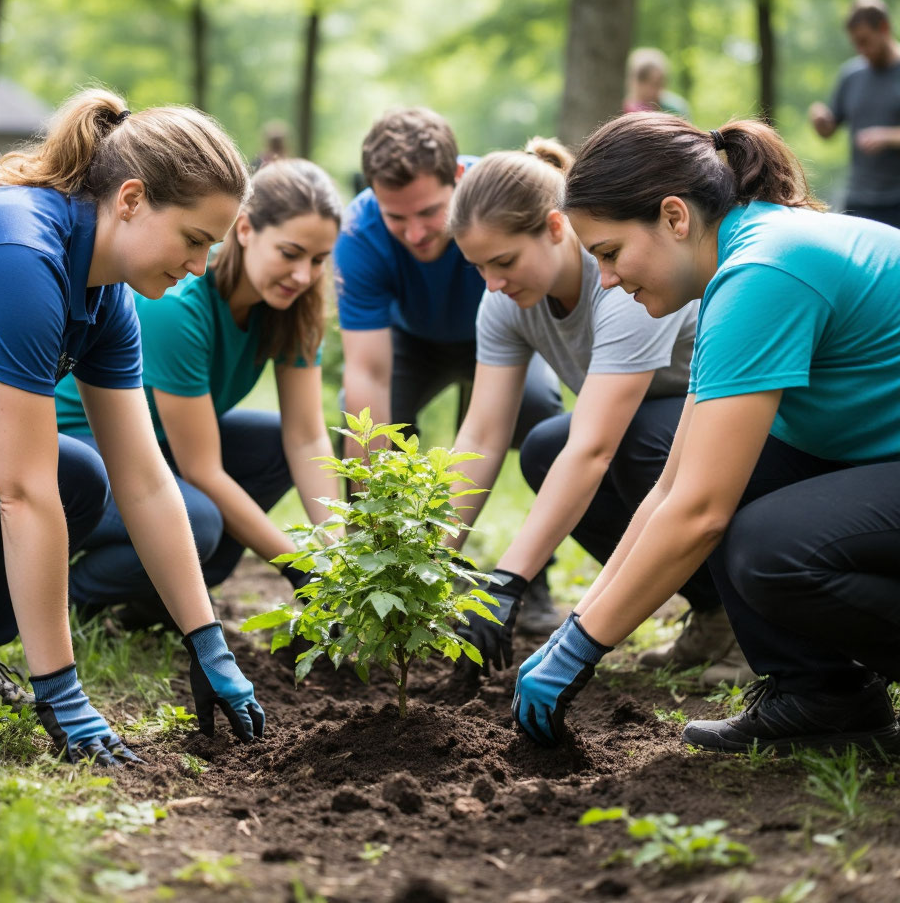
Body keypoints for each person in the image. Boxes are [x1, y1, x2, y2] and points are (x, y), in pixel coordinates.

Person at [0, 89, 264, 763]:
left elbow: (144, 482)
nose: (201, 267)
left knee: (82, 476)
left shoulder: (104, 296)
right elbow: (20, 492)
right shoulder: (16, 253)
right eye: (195, 239)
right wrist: (61, 692)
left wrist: (207, 641)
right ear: (133, 199)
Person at [511, 111, 900, 756]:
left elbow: (698, 513)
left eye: (609, 252)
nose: (605, 279)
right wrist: (574, 632)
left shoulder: (763, 273)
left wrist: (582, 651)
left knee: (769, 545)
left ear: (673, 217)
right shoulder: (741, 265)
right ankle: (823, 698)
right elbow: (675, 484)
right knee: (733, 488)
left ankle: (823, 691)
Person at [444, 140, 737, 686]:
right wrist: (430, 564)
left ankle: (750, 618)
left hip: (733, 431)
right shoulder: (503, 302)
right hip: (650, 430)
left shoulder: (621, 276)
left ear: (556, 228)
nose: (493, 283)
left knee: (630, 443)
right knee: (543, 447)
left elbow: (594, 447)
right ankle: (716, 614)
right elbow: (481, 434)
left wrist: (508, 581)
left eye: (504, 261)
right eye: (479, 267)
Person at [55, 158, 342, 624]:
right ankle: (70, 597)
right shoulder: (181, 303)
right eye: (290, 253)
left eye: (318, 260)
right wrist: (300, 568)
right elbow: (203, 471)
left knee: (274, 447)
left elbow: (306, 438)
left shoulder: (295, 307)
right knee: (198, 523)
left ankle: (153, 604)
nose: (304, 275)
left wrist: (339, 555)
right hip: (80, 450)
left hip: (156, 443)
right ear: (245, 230)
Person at [334, 107, 564, 633]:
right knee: (359, 416)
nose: (415, 233)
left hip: (508, 327)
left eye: (429, 213)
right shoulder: (360, 234)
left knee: (538, 411)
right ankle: (383, 576)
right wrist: (371, 540)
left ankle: (534, 580)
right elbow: (367, 375)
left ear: (458, 177)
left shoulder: (498, 200)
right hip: (412, 339)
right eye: (398, 217)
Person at [809, 0, 900, 228]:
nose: (861, 50)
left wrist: (887, 136)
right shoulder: (851, 76)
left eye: (865, 41)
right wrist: (821, 122)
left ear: (884, 28)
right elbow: (829, 131)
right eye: (855, 43)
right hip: (858, 200)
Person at [623, 48, 691, 119]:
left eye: (658, 84)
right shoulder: (624, 108)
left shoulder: (675, 108)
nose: (651, 91)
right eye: (646, 82)